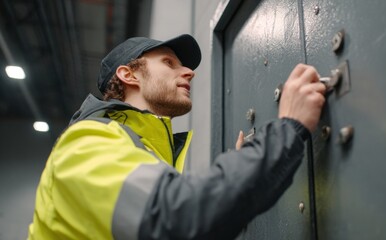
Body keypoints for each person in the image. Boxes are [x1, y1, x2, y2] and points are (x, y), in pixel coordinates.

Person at [28, 34, 325, 240]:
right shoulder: (86, 143)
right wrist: (288, 127)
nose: (189, 72)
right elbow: (179, 219)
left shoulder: (148, 154)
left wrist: (245, 168)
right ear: (128, 75)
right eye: (169, 63)